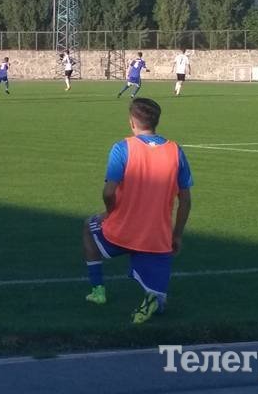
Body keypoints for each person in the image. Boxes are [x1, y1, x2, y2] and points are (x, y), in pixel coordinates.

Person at [82, 98, 193, 324]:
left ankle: (98, 291)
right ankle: (153, 296)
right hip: (157, 238)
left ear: (132, 122)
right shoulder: (175, 151)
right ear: (156, 122)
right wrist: (177, 235)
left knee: (88, 227)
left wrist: (109, 212)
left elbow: (108, 192)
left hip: (122, 231)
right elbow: (186, 200)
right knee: (160, 302)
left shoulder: (123, 148)